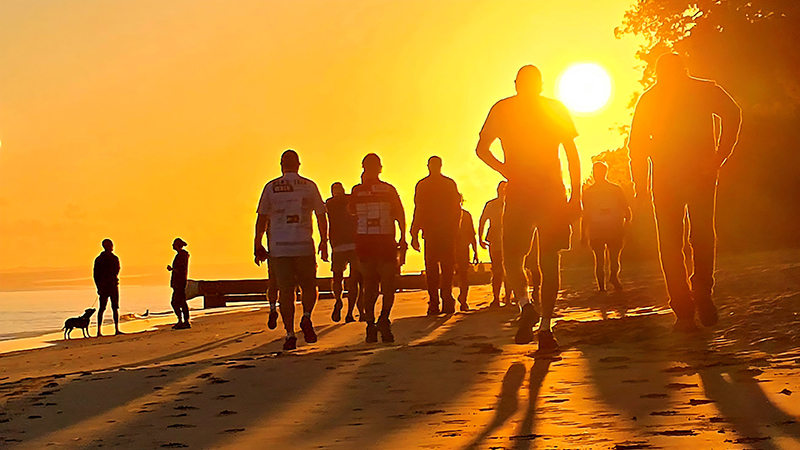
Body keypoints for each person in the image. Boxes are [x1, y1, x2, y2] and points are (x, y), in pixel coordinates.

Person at [628, 53, 741, 331]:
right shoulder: (703, 89)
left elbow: (637, 145)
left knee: (670, 242)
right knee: (702, 233)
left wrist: (640, 186)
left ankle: (682, 307)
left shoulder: (650, 98)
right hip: (699, 173)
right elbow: (734, 113)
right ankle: (701, 288)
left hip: (667, 178)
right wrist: (718, 157)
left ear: (658, 73)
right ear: (684, 70)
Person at [476, 65, 582, 350]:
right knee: (548, 260)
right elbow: (572, 155)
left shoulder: (503, 109)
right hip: (550, 192)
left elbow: (481, 149)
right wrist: (577, 195)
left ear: (516, 84)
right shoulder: (554, 108)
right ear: (541, 85)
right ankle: (545, 327)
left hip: (523, 191)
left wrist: (505, 170)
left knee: (512, 256)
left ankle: (525, 305)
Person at [254, 149, 329, 350]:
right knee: (309, 285)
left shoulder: (271, 187)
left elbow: (261, 218)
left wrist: (257, 243)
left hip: (279, 248)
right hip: (304, 245)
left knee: (285, 292)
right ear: (299, 165)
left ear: (281, 165)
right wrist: (324, 241)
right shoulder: (309, 186)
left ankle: (290, 334)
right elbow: (322, 214)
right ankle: (306, 316)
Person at [350, 153, 407, 343]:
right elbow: (400, 214)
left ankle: (372, 323)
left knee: (369, 286)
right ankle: (383, 319)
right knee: (387, 284)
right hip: (384, 241)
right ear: (380, 168)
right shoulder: (388, 189)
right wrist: (403, 237)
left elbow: (350, 212)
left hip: (366, 242)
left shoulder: (357, 190)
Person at [410, 156, 462, 315]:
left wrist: (415, 232)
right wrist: (414, 232)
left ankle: (442, 300)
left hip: (441, 233)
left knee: (443, 268)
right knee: (438, 269)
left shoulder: (442, 184)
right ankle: (438, 300)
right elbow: (419, 209)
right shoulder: (428, 185)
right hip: (435, 233)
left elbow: (456, 209)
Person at [580, 161, 632, 292]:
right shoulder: (615, 189)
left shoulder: (588, 192)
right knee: (613, 257)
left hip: (597, 228)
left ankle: (602, 287)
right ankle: (613, 278)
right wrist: (627, 223)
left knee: (600, 260)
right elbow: (627, 209)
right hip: (613, 226)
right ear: (605, 172)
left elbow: (585, 215)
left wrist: (582, 234)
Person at [326, 182, 364, 323]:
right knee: (355, 280)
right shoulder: (351, 200)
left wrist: (324, 241)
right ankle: (351, 313)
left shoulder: (329, 204)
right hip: (353, 244)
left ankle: (338, 299)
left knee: (338, 278)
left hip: (338, 244)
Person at [479, 181, 509, 307]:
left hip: (509, 241)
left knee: (509, 270)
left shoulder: (512, 204)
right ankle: (497, 298)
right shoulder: (491, 205)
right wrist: (480, 237)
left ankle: (508, 298)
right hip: (496, 241)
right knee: (497, 270)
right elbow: (483, 220)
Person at [93, 238, 121, 337]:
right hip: (109, 286)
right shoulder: (104, 259)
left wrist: (99, 286)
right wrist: (99, 287)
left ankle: (108, 330)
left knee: (111, 308)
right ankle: (103, 330)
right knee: (107, 308)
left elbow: (96, 275)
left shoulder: (105, 259)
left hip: (108, 286)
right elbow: (96, 275)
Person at [455, 200, 479, 311]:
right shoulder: (463, 215)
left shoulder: (466, 215)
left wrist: (475, 251)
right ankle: (461, 299)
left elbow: (471, 233)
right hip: (453, 249)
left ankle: (463, 299)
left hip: (462, 249)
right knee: (459, 276)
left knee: (463, 276)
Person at [167, 238, 191, 329]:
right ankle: (183, 320)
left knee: (177, 302)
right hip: (178, 282)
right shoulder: (180, 255)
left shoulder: (182, 256)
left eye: (174, 244)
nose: (172, 246)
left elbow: (181, 269)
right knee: (180, 301)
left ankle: (183, 321)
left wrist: (172, 269)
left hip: (180, 282)